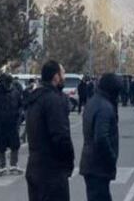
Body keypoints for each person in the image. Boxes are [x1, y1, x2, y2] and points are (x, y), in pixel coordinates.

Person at [25, 60, 75, 201]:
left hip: (34, 167)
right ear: (56, 77)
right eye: (63, 73)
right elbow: (61, 137)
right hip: (51, 171)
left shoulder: (35, 98)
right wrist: (68, 163)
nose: (64, 77)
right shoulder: (53, 100)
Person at [79, 73, 122, 201]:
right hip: (98, 165)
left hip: (91, 163)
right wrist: (111, 158)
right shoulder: (105, 107)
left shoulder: (93, 101)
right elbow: (101, 138)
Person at [0, 74, 24, 175]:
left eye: (10, 83)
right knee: (0, 146)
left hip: (13, 123)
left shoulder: (16, 93)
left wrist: (19, 117)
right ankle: (2, 167)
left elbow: (21, 106)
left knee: (15, 145)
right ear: (3, 83)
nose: (8, 85)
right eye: (7, 83)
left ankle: (13, 165)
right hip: (1, 124)